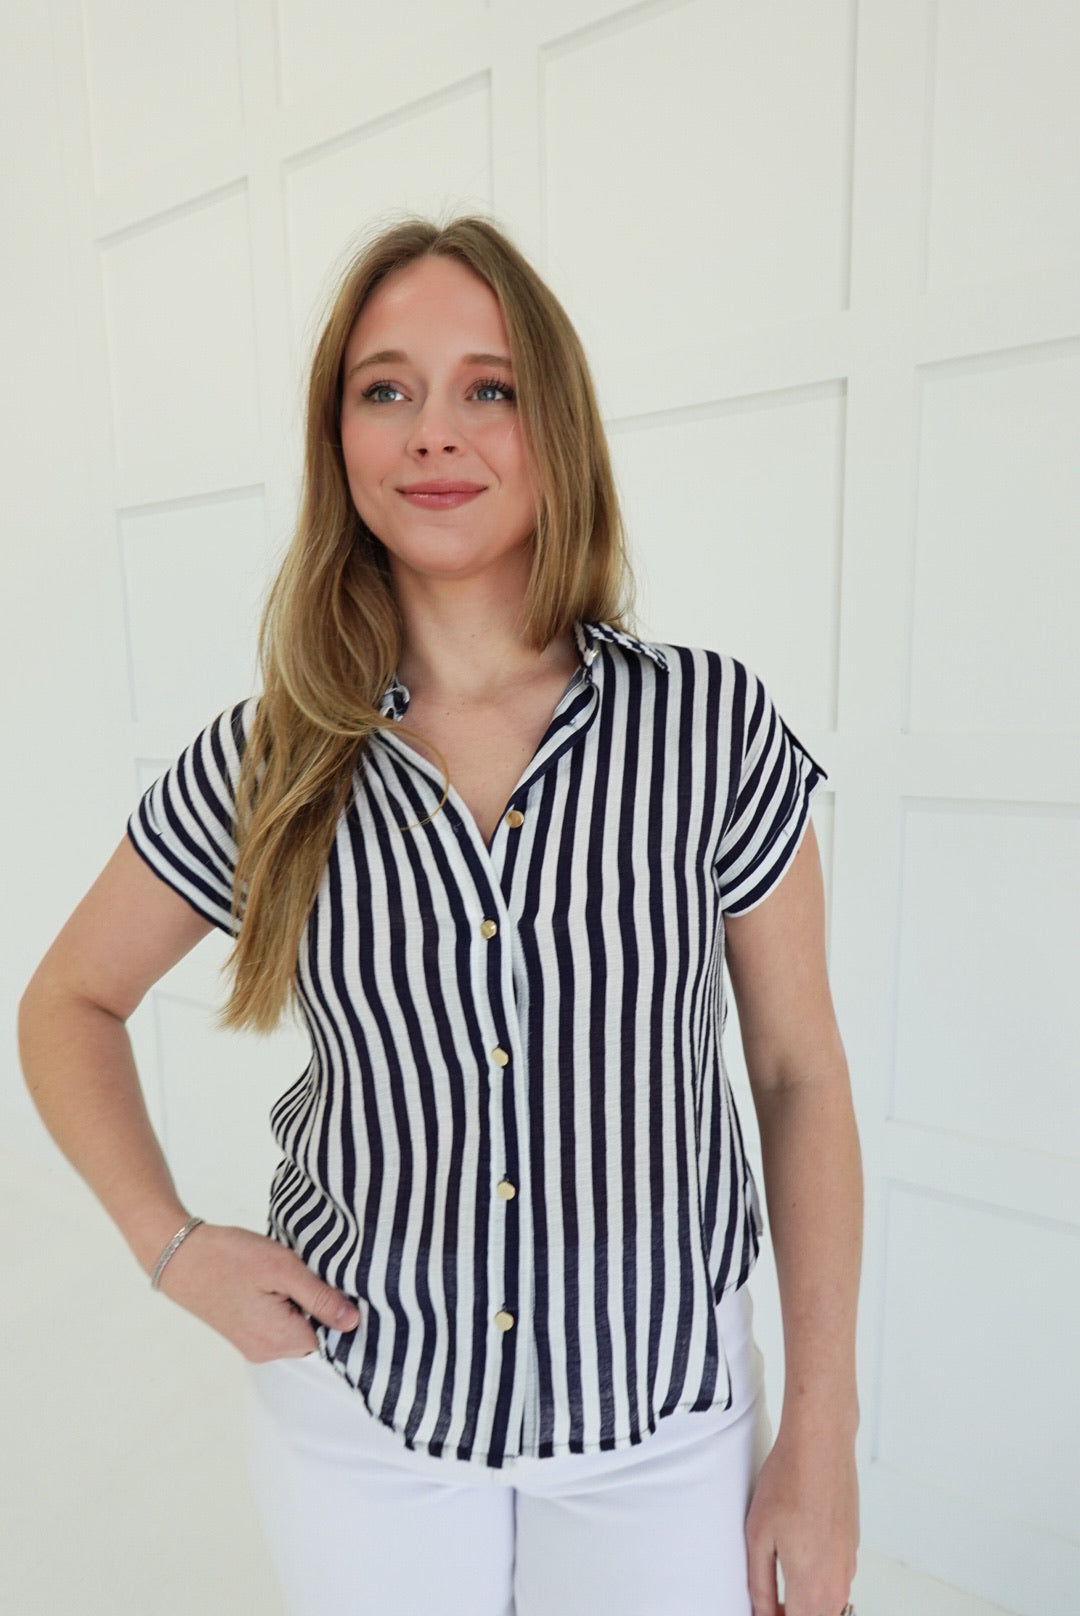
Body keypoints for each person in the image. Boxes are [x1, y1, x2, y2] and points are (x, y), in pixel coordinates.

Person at [17, 214, 862, 1616]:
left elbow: (799, 1073)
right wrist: (169, 1247)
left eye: (489, 387)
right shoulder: (274, 759)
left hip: (662, 1421)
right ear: (338, 437)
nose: (433, 435)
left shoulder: (710, 728)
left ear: (556, 424)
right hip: (365, 1416)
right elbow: (67, 1002)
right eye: (385, 389)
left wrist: (822, 1439)